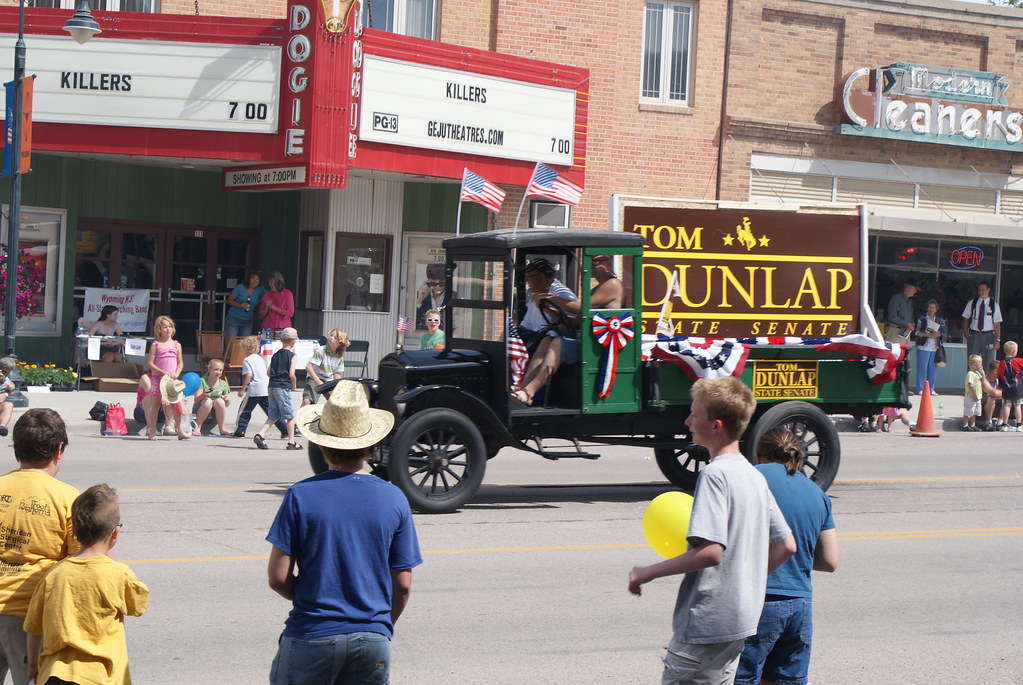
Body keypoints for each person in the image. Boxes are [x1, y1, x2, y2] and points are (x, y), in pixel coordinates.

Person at [628, 377, 795, 685]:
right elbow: (786, 544)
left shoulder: (715, 475)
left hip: (707, 623)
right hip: (741, 620)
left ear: (716, 425)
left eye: (694, 414)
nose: (687, 421)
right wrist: (748, 582)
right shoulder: (753, 475)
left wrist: (647, 572)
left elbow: (710, 551)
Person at [267, 380, 421, 685]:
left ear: (321, 444)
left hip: (312, 634)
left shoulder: (300, 496)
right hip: (373, 639)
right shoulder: (394, 497)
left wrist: (315, 600)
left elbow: (277, 577)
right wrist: (378, 626)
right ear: (368, 443)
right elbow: (402, 585)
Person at [735, 429, 838, 685]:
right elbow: (829, 561)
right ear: (799, 460)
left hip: (756, 601)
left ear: (757, 455)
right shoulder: (817, 494)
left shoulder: (749, 480)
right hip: (799, 607)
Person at [24, 484, 149, 685]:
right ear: (115, 533)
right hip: (101, 676)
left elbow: (34, 627)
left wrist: (32, 664)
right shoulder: (118, 574)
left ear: (72, 530)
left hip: (57, 675)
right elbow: (138, 605)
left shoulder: (54, 574)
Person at [0, 408, 80, 685]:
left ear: (16, 448)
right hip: (29, 618)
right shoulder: (68, 499)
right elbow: (84, 563)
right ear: (59, 449)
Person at [510, 258, 580, 406]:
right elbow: (525, 324)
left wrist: (547, 305)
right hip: (534, 336)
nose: (527, 281)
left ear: (541, 277)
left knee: (546, 341)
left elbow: (573, 322)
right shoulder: (535, 295)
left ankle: (530, 392)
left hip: (552, 337)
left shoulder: (561, 293)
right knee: (510, 343)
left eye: (530, 277)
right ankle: (516, 386)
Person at [143, 315, 190, 441]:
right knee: (156, 404)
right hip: (159, 379)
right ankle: (152, 429)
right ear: (159, 329)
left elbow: (180, 363)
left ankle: (180, 430)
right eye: (165, 327)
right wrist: (161, 372)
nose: (168, 329)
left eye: (170, 326)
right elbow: (150, 363)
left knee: (176, 405)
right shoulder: (156, 345)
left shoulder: (176, 345)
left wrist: (177, 373)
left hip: (171, 381)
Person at [254, 327, 301, 451]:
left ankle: (260, 434)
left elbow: (268, 372)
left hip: (272, 386)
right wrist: (294, 385)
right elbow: (291, 374)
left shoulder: (275, 355)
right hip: (283, 386)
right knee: (290, 415)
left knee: (273, 414)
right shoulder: (292, 356)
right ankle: (291, 442)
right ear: (293, 341)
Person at [234, 335, 288, 440]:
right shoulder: (260, 358)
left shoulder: (247, 360)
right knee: (271, 411)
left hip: (254, 389)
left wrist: (243, 389)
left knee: (244, 411)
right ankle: (284, 429)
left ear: (245, 348)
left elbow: (249, 375)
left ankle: (240, 431)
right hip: (265, 387)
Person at [961, 280, 1002, 370]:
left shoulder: (994, 305)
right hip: (974, 334)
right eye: (979, 289)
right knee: (972, 362)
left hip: (988, 336)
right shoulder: (972, 303)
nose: (981, 291)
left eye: (983, 289)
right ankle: (971, 382)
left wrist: (997, 340)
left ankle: (985, 383)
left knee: (988, 363)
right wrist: (965, 332)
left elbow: (997, 324)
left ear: (988, 290)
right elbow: (965, 319)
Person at [885, 278, 920, 384]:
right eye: (915, 289)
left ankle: (902, 386)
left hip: (905, 333)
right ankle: (890, 384)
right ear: (909, 288)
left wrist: (912, 324)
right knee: (894, 358)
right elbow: (892, 316)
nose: (916, 292)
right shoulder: (896, 298)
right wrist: (907, 323)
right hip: (895, 332)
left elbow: (910, 318)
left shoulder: (910, 302)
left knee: (905, 359)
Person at [303, 329, 349, 407]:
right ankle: (300, 418)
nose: (331, 338)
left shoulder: (339, 356)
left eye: (335, 337)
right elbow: (308, 366)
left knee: (336, 402)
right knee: (307, 401)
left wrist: (339, 385)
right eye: (331, 335)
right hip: (315, 377)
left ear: (340, 342)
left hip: (328, 380)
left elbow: (336, 373)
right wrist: (317, 380)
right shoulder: (321, 351)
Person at [914, 298, 946, 396]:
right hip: (923, 346)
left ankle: (931, 389)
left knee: (933, 369)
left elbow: (944, 332)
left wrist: (939, 334)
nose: (932, 309)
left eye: (933, 307)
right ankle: (920, 388)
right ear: (927, 309)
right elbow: (916, 332)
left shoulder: (940, 320)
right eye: (930, 307)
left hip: (935, 347)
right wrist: (927, 335)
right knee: (922, 368)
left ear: (936, 309)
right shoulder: (922, 319)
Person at [193, 358, 232, 436]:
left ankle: (222, 428)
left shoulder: (223, 383)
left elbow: (226, 405)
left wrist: (227, 400)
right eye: (216, 369)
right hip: (202, 407)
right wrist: (203, 395)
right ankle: (198, 427)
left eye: (220, 370)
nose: (218, 372)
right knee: (208, 401)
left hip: (214, 412)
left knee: (220, 401)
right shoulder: (202, 381)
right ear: (209, 369)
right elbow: (196, 400)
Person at [224, 270, 265, 338]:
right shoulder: (240, 287)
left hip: (247, 321)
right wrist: (240, 305)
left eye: (257, 279)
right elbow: (229, 300)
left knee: (244, 345)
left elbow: (267, 296)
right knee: (231, 344)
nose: (255, 280)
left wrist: (257, 302)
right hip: (234, 319)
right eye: (253, 278)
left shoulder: (260, 289)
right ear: (249, 279)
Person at [996, 340, 1023, 432]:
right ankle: (1019, 424)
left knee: (1007, 406)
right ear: (1013, 351)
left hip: (1006, 388)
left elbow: (999, 376)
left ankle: (1005, 424)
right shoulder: (1018, 361)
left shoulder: (1001, 363)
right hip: (1017, 388)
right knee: (1018, 406)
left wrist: (1000, 387)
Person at [415, 264, 449, 329]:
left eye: (442, 284)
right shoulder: (419, 295)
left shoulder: (453, 296)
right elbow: (412, 322)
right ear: (428, 281)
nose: (437, 287)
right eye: (433, 284)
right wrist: (420, 300)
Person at [963, 353, 984, 432]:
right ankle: (965, 425)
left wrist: (982, 373)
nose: (981, 365)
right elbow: (970, 385)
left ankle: (973, 425)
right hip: (970, 396)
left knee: (974, 412)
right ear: (974, 365)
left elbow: (982, 380)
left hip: (977, 396)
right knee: (968, 411)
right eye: (980, 364)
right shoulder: (970, 374)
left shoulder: (977, 374)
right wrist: (974, 395)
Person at [982, 360, 1003, 431]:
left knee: (1007, 399)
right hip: (983, 407)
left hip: (995, 406)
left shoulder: (999, 380)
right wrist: (998, 393)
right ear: (995, 371)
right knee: (991, 398)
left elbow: (1006, 393)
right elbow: (993, 393)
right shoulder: (984, 379)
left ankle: (1000, 423)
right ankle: (988, 422)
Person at [0, 358, 16, 438]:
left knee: (8, 405)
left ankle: (2, 427)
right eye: (5, 369)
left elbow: (11, 386)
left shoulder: (5, 380)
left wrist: (6, 393)